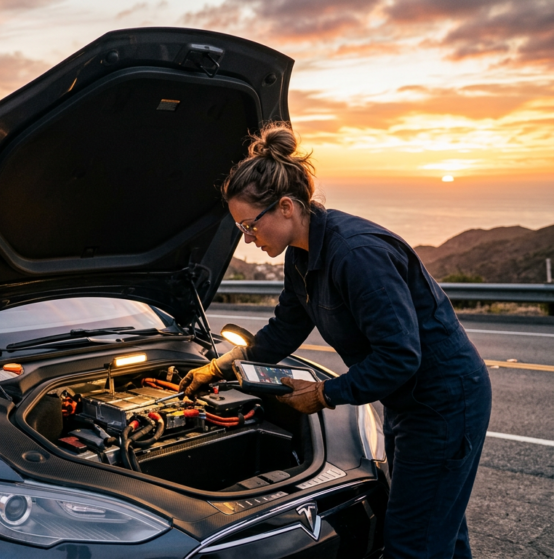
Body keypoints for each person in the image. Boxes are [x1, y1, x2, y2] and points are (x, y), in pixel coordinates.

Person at [178, 123, 491, 559]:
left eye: (249, 226)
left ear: (286, 207)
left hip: (444, 402)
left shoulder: (355, 255)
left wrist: (325, 394)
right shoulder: (301, 256)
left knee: (411, 546)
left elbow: (400, 356)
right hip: (410, 402)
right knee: (439, 531)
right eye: (240, 230)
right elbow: (284, 329)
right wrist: (219, 366)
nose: (248, 240)